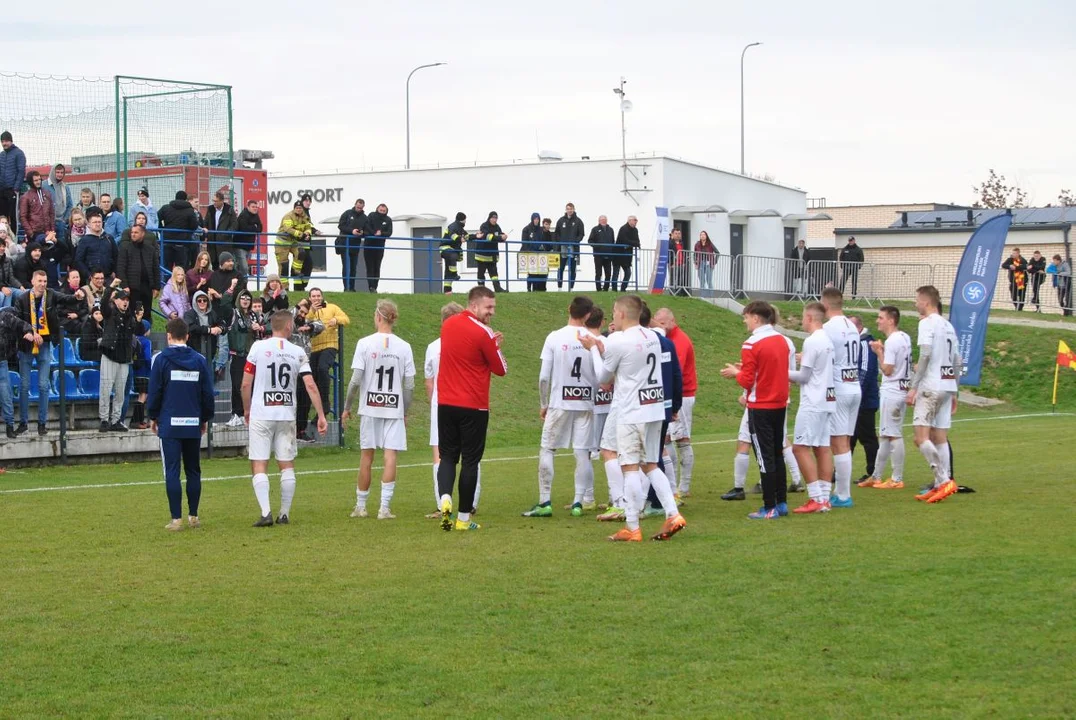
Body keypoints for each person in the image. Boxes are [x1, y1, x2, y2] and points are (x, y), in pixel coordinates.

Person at [579, 295, 686, 541]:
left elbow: (603, 377)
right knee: (651, 463)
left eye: (614, 311)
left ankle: (632, 526)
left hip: (632, 410)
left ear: (622, 314)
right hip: (654, 407)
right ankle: (672, 513)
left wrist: (594, 349)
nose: (613, 315)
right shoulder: (654, 337)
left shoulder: (619, 341)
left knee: (629, 467)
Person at [242, 310, 328, 526]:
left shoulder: (258, 347)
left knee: (259, 463)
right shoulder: (298, 351)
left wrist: (246, 409)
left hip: (262, 413)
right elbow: (310, 384)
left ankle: (265, 513)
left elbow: (245, 383)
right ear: (289, 327)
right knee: (286, 463)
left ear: (272, 326)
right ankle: (284, 514)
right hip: (286, 414)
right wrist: (321, 414)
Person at [436, 286, 508, 531]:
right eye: (489, 307)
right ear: (474, 305)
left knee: (447, 457)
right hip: (473, 405)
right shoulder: (484, 332)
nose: (492, 313)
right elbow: (501, 369)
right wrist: (496, 346)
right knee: (470, 461)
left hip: (446, 403)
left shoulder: (448, 325)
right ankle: (463, 519)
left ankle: (445, 498)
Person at [522, 296, 596, 518]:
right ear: (588, 315)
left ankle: (545, 501)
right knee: (582, 452)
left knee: (548, 449)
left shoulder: (554, 337)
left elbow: (544, 377)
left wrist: (544, 403)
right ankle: (578, 502)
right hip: (585, 402)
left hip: (560, 402)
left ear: (569, 310)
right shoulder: (593, 339)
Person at [341, 299, 416, 520]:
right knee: (390, 456)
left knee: (367, 456)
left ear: (378, 316)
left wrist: (347, 407)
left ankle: (361, 506)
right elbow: (409, 385)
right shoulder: (404, 346)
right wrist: (404, 411)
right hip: (393, 409)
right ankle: (384, 508)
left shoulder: (365, 343)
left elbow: (355, 381)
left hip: (370, 408)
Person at [719, 300, 790, 519]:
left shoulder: (751, 344)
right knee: (777, 454)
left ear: (756, 318)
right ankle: (781, 503)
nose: (744, 321)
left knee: (764, 456)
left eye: (746, 317)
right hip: (780, 403)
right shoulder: (783, 341)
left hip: (761, 406)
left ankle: (768, 507)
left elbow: (748, 381)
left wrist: (736, 373)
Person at [147, 318, 215, 531]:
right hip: (192, 422)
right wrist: (204, 418)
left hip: (170, 423)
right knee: (194, 470)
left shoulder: (160, 360)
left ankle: (176, 519)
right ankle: (193, 516)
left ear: (168, 336)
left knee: (172, 471)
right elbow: (207, 394)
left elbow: (155, 391)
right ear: (187, 336)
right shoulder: (199, 360)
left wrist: (153, 415)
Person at [907, 285, 962, 504]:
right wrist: (955, 389)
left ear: (926, 302)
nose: (915, 304)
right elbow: (958, 360)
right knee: (939, 437)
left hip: (931, 385)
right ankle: (942, 484)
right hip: (947, 385)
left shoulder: (927, 323)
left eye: (917, 300)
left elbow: (926, 353)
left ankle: (943, 479)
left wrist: (913, 386)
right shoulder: (948, 325)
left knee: (920, 438)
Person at [423, 302, 478, 518]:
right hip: (469, 404)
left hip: (442, 405)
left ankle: (442, 503)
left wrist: (433, 402)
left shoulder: (433, 346)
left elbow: (429, 381)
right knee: (470, 456)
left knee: (441, 455)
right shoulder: (471, 342)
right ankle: (470, 504)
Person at [14, 270, 78, 436]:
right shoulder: (22, 298)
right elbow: (17, 320)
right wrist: (27, 332)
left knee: (44, 385)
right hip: (26, 345)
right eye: (40, 281)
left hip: (45, 343)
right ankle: (23, 423)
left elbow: (66, 298)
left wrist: (78, 296)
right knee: (24, 385)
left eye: (45, 281)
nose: (43, 284)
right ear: (32, 281)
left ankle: (42, 423)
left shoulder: (50, 295)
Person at [787, 302, 836, 513]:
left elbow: (804, 377)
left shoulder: (812, 341)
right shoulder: (826, 339)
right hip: (828, 399)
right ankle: (824, 497)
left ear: (809, 317)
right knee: (822, 448)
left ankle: (816, 498)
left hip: (813, 401)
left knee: (799, 447)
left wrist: (780, 371)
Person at [639, 302, 683, 519]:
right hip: (663, 405)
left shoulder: (636, 343)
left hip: (642, 407)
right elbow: (676, 375)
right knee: (654, 453)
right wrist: (675, 405)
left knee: (645, 457)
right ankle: (656, 500)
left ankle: (652, 501)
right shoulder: (666, 343)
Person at [860, 305, 911, 489]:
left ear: (891, 320)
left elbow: (888, 370)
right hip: (901, 388)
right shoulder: (904, 337)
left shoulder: (893, 341)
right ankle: (877, 475)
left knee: (894, 434)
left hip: (893, 390)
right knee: (885, 435)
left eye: (881, 318)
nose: (877, 321)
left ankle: (897, 479)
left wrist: (879, 352)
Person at [820, 287, 862, 508]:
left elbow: (826, 357)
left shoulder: (828, 328)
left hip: (839, 388)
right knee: (843, 441)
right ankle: (842, 492)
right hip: (853, 385)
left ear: (825, 305)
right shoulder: (852, 326)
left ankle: (843, 495)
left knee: (838, 443)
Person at [652, 308, 697, 497]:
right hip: (670, 395)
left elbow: (673, 372)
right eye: (658, 323)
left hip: (683, 395)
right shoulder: (667, 340)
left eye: (664, 323)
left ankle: (683, 487)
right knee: (667, 439)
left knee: (682, 439)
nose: (661, 326)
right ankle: (672, 485)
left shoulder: (679, 341)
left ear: (673, 321)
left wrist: (673, 401)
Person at [98, 279, 145, 432]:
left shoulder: (129, 317)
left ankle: (116, 419)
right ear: (116, 300)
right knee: (106, 388)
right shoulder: (110, 312)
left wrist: (138, 320)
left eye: (127, 300)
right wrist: (110, 287)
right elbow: (103, 303)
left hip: (124, 358)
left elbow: (137, 331)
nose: (125, 302)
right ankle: (104, 419)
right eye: (122, 299)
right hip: (110, 354)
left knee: (120, 391)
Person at [304, 288, 349, 441]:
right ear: (309, 298)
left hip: (329, 345)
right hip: (314, 348)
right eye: (313, 296)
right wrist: (311, 310)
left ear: (322, 297)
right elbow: (305, 321)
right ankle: (319, 408)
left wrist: (336, 320)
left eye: (318, 296)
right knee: (312, 377)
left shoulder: (332, 308)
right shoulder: (309, 311)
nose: (316, 298)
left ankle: (325, 402)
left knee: (323, 368)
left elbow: (346, 319)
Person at [848, 315, 879, 484]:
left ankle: (873, 471)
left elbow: (865, 370)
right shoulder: (856, 343)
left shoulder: (865, 343)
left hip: (865, 400)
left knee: (867, 436)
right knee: (849, 436)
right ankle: (841, 471)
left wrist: (856, 393)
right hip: (858, 398)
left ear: (858, 328)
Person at [289, 299, 324, 441]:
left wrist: (309, 326)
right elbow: (289, 314)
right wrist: (298, 305)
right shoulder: (289, 326)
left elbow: (321, 326)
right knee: (292, 400)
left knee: (305, 401)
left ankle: (301, 430)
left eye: (304, 313)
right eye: (300, 311)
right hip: (291, 368)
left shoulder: (307, 327)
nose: (301, 314)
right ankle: (290, 430)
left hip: (304, 368)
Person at [0, 305, 35, 438]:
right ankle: (9, 427)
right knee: (5, 393)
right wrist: (29, 331)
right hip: (2, 359)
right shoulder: (7, 316)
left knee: (6, 394)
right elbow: (22, 324)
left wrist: (29, 331)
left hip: (2, 360)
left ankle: (10, 426)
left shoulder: (7, 318)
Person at [225, 290, 257, 427]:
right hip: (237, 355)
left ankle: (248, 414)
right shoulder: (233, 313)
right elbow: (223, 305)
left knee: (251, 386)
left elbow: (269, 324)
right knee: (237, 385)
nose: (245, 301)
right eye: (242, 298)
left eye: (248, 299)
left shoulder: (254, 315)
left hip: (251, 355)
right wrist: (230, 290)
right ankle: (236, 414)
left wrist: (260, 327)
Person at [116, 224, 159, 312]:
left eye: (136, 232)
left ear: (143, 234)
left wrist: (157, 287)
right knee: (132, 313)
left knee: (146, 312)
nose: (133, 234)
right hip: (132, 288)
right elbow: (120, 268)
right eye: (132, 232)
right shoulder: (125, 248)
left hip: (147, 287)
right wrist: (125, 285)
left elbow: (155, 269)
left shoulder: (150, 249)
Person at [275, 201, 314, 292]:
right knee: (283, 266)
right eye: (297, 208)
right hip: (282, 243)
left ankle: (295, 271)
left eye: (300, 208)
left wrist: (308, 233)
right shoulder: (288, 216)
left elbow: (308, 226)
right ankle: (284, 288)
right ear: (294, 208)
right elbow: (288, 229)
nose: (299, 210)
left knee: (301, 253)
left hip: (292, 241)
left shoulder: (305, 216)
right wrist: (302, 234)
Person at [158, 190, 201, 271]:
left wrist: (162, 229)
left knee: (166, 267)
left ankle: (167, 283)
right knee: (181, 267)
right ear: (185, 199)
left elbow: (157, 218)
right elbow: (194, 226)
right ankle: (179, 283)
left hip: (167, 241)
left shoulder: (165, 208)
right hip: (183, 242)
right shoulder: (189, 211)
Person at [183, 290, 227, 363]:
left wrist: (220, 329)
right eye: (199, 301)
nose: (202, 302)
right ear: (195, 302)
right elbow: (191, 327)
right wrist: (209, 330)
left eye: (205, 300)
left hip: (210, 350)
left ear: (208, 302)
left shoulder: (212, 313)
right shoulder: (189, 314)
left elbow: (223, 325)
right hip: (194, 350)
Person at [74, 208, 118, 279]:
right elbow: (78, 260)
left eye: (99, 222)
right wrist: (88, 275)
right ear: (88, 224)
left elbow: (116, 256)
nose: (97, 224)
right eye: (94, 222)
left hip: (108, 277)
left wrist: (114, 271)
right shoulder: (84, 240)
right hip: (91, 279)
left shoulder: (109, 238)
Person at [336, 198, 366, 292]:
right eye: (358, 206)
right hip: (345, 244)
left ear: (363, 207)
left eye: (361, 207)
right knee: (346, 266)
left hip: (355, 245)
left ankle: (352, 288)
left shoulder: (364, 217)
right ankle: (346, 288)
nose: (359, 208)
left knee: (353, 267)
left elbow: (367, 230)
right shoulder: (347, 213)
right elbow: (341, 225)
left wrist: (362, 232)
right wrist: (351, 231)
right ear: (355, 204)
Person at [203, 191, 238, 269]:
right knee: (214, 265)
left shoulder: (229, 210)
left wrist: (226, 234)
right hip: (212, 242)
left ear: (222, 201)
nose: (214, 203)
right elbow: (206, 222)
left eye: (216, 201)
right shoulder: (210, 209)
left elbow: (234, 224)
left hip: (224, 243)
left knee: (225, 265)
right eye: (213, 201)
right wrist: (206, 232)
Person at [18, 170, 55, 244]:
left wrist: (52, 230)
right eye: (35, 180)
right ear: (30, 181)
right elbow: (22, 217)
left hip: (48, 232)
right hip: (35, 233)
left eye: (39, 180)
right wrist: (31, 233)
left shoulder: (47, 193)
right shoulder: (25, 197)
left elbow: (51, 213)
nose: (38, 182)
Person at [475, 210, 507, 293]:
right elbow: (487, 236)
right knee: (481, 274)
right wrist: (500, 238)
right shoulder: (484, 226)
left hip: (492, 255)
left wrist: (503, 236)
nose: (494, 220)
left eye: (496, 218)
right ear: (489, 218)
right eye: (493, 218)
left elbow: (499, 235)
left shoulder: (497, 227)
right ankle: (481, 291)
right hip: (482, 255)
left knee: (494, 274)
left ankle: (498, 288)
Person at [0, 132, 27, 232]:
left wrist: (15, 188)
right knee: (2, 217)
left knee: (13, 216)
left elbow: (21, 171)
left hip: (12, 191)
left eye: (6, 141)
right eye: (2, 141)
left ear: (11, 141)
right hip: (1, 190)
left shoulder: (19, 153)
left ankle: (14, 239)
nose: (4, 143)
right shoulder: (1, 155)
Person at [363, 203, 392, 293]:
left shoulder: (388, 220)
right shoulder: (371, 216)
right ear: (377, 209)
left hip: (380, 246)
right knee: (370, 267)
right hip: (369, 245)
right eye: (380, 210)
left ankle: (375, 287)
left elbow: (389, 232)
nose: (382, 212)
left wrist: (381, 233)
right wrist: (374, 233)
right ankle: (371, 286)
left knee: (377, 266)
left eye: (384, 211)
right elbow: (366, 227)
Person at [555, 202, 584, 291]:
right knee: (561, 268)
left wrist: (575, 241)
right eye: (568, 209)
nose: (569, 210)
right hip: (562, 248)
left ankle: (571, 288)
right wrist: (561, 242)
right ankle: (560, 287)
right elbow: (556, 233)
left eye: (571, 209)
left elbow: (581, 234)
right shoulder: (561, 220)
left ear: (574, 209)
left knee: (572, 269)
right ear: (566, 210)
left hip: (573, 248)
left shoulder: (578, 221)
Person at [521, 213, 553, 292]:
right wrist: (529, 251)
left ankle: (537, 289)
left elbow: (542, 241)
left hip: (539, 254)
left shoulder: (540, 230)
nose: (536, 220)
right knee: (531, 273)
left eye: (538, 219)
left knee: (541, 272)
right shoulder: (526, 229)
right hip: (530, 254)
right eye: (535, 219)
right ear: (532, 219)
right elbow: (524, 242)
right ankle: (529, 289)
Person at [440, 212, 467, 295]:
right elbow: (453, 236)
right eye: (465, 219)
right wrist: (460, 238)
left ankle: (447, 290)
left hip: (452, 249)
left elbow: (467, 236)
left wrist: (477, 235)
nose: (466, 221)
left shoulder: (460, 228)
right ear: (463, 220)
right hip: (445, 247)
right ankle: (454, 274)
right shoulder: (453, 226)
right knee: (453, 255)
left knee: (448, 269)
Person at [234, 198, 262, 277]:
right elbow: (244, 228)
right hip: (240, 245)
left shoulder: (256, 215)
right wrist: (254, 227)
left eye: (256, 207)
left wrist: (254, 227)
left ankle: (240, 284)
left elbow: (260, 228)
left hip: (248, 246)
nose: (255, 208)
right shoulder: (243, 215)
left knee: (241, 267)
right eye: (253, 207)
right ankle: (243, 284)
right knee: (244, 267)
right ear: (248, 207)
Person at [588, 216, 615, 292]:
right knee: (598, 273)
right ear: (599, 221)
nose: (603, 221)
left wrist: (611, 251)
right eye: (602, 220)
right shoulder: (595, 229)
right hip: (598, 255)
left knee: (608, 273)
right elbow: (590, 241)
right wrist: (597, 247)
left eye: (605, 220)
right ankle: (599, 289)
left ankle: (606, 288)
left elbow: (613, 241)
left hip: (608, 255)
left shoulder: (610, 230)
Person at [613, 216, 639, 292]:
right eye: (635, 220)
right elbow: (624, 240)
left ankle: (623, 288)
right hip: (618, 254)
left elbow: (637, 242)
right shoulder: (623, 229)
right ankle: (614, 289)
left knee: (628, 273)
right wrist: (632, 243)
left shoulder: (635, 230)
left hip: (627, 255)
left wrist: (631, 244)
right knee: (616, 273)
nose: (636, 222)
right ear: (629, 221)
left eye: (636, 221)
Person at [0, 237, 22, 309]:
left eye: (3, 246)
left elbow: (11, 277)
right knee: (4, 294)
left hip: (7, 287)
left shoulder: (8, 260)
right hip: (2, 288)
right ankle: (4, 317)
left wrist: (20, 286)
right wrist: (2, 288)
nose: (2, 248)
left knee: (23, 293)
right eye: (0, 246)